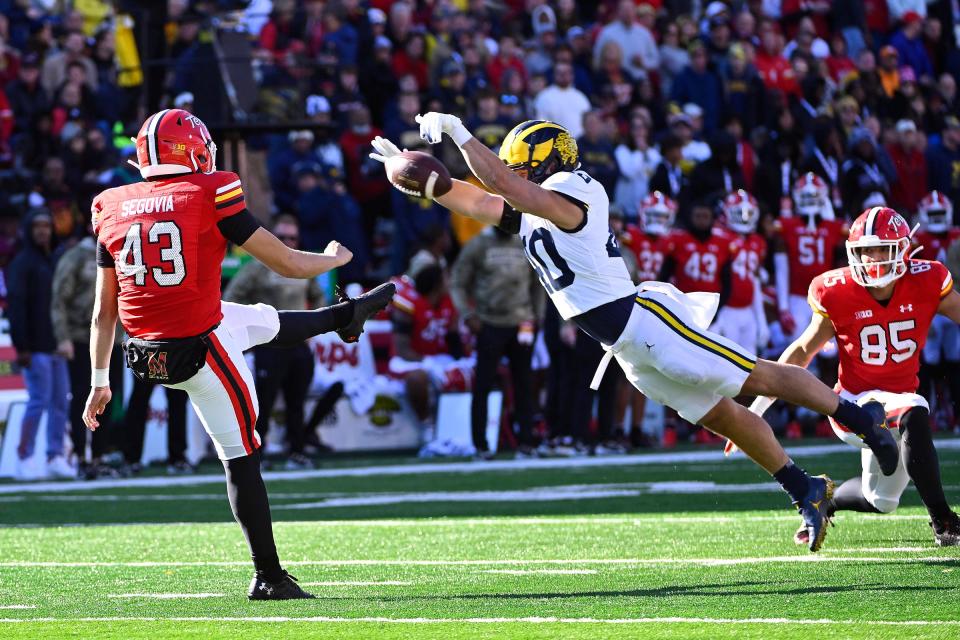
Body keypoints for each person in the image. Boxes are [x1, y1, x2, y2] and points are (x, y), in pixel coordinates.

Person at [370, 113, 898, 552]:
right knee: (722, 416)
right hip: (622, 344)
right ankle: (805, 486)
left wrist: (459, 132)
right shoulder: (532, 204)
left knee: (755, 378)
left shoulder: (574, 188)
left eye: (523, 164)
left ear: (551, 160)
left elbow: (503, 186)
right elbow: (476, 200)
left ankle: (863, 419)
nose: (513, 173)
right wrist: (423, 179)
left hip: (644, 320)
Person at [82, 108, 395, 599]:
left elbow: (104, 312)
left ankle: (343, 318)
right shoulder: (211, 190)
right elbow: (289, 264)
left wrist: (100, 380)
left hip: (140, 352)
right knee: (241, 456)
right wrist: (335, 259)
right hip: (197, 349)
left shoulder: (110, 204)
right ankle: (269, 576)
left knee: (250, 318)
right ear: (195, 150)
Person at [770, 206, 960, 546]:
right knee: (915, 409)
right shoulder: (835, 289)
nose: (873, 259)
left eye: (882, 249)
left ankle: (827, 500)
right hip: (853, 407)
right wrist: (759, 400)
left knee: (881, 501)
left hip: (895, 407)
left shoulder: (927, 279)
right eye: (864, 251)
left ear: (903, 249)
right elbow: (801, 351)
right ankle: (944, 521)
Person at [223, 215, 324, 470]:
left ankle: (297, 451)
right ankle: (259, 452)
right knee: (263, 402)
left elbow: (320, 297)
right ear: (272, 238)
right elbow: (231, 296)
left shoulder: (301, 265)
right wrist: (249, 326)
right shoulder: (257, 266)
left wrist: (316, 325)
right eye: (283, 237)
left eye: (293, 237)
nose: (289, 241)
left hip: (299, 344)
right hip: (269, 343)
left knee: (296, 402)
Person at [450, 225, 543, 459]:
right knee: (483, 384)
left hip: (521, 322)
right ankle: (480, 445)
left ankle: (526, 443)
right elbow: (458, 282)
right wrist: (467, 315)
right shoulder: (478, 244)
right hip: (489, 322)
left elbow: (539, 282)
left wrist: (536, 316)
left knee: (524, 384)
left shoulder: (524, 241)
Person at [51, 227, 124, 479]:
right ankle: (81, 457)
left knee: (110, 398)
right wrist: (63, 338)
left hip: (115, 339)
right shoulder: (76, 256)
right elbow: (59, 299)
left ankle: (100, 457)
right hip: (82, 338)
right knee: (83, 394)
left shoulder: (121, 249)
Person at [7, 209, 72, 480]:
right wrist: (22, 346)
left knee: (61, 403)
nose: (43, 231)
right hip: (34, 348)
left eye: (47, 225)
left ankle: (55, 455)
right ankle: (25, 456)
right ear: (29, 230)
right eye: (38, 226)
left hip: (56, 345)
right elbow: (16, 306)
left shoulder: (55, 260)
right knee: (38, 402)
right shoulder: (22, 262)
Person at [773, 172, 847, 344]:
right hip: (797, 297)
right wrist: (783, 308)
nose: (810, 199)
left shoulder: (835, 227)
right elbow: (781, 270)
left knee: (831, 351)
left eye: (813, 195)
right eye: (806, 195)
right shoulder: (787, 226)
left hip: (826, 296)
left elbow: (843, 266)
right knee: (796, 345)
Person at [913, 191, 960, 425]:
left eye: (941, 213)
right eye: (933, 214)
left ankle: (953, 412)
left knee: (954, 359)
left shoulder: (957, 235)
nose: (938, 218)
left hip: (952, 303)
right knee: (929, 362)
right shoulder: (917, 239)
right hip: (929, 306)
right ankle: (929, 413)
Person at [710, 190, 769, 354]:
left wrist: (761, 321)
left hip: (748, 310)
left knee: (750, 362)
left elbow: (754, 281)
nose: (744, 217)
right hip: (726, 309)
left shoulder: (758, 242)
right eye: (739, 213)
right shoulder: (720, 237)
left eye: (748, 213)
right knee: (725, 360)